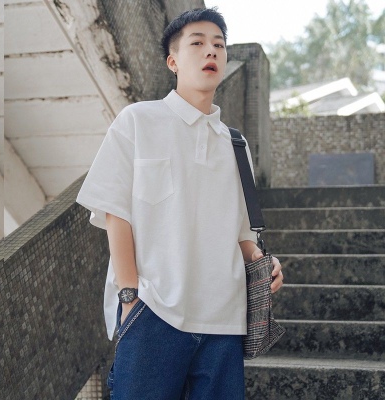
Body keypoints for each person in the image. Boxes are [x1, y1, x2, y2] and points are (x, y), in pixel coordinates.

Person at [76, 7, 283, 400]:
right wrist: (129, 296)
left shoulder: (236, 146)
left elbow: (241, 234)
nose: (212, 51)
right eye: (198, 43)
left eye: (219, 45)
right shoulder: (137, 121)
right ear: (173, 61)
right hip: (154, 311)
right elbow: (114, 212)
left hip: (224, 322)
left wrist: (262, 260)